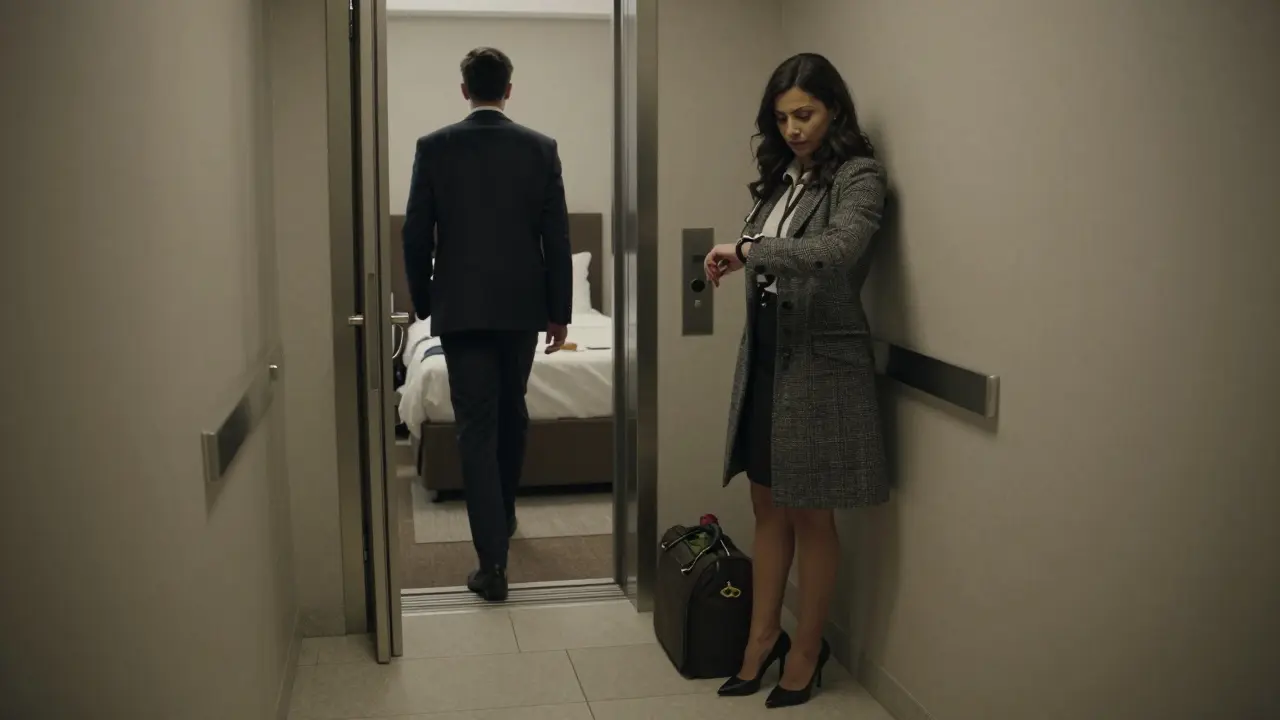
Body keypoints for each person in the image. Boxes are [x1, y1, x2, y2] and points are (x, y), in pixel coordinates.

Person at [704, 53, 890, 709]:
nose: (793, 128)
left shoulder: (858, 177)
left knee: (812, 513)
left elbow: (836, 254)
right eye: (782, 118)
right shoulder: (783, 179)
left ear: (834, 109)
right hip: (766, 355)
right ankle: (762, 640)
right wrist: (741, 250)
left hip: (821, 366)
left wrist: (750, 250)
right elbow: (772, 256)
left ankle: (806, 651)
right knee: (766, 503)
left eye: (804, 114)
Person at [402, 47, 573, 602]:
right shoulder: (540, 149)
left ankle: (491, 561)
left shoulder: (434, 147)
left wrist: (425, 302)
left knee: (477, 424)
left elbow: (415, 232)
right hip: (522, 308)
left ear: (464, 90)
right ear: (508, 89)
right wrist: (559, 311)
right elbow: (558, 236)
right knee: (512, 408)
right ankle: (506, 512)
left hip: (463, 310)